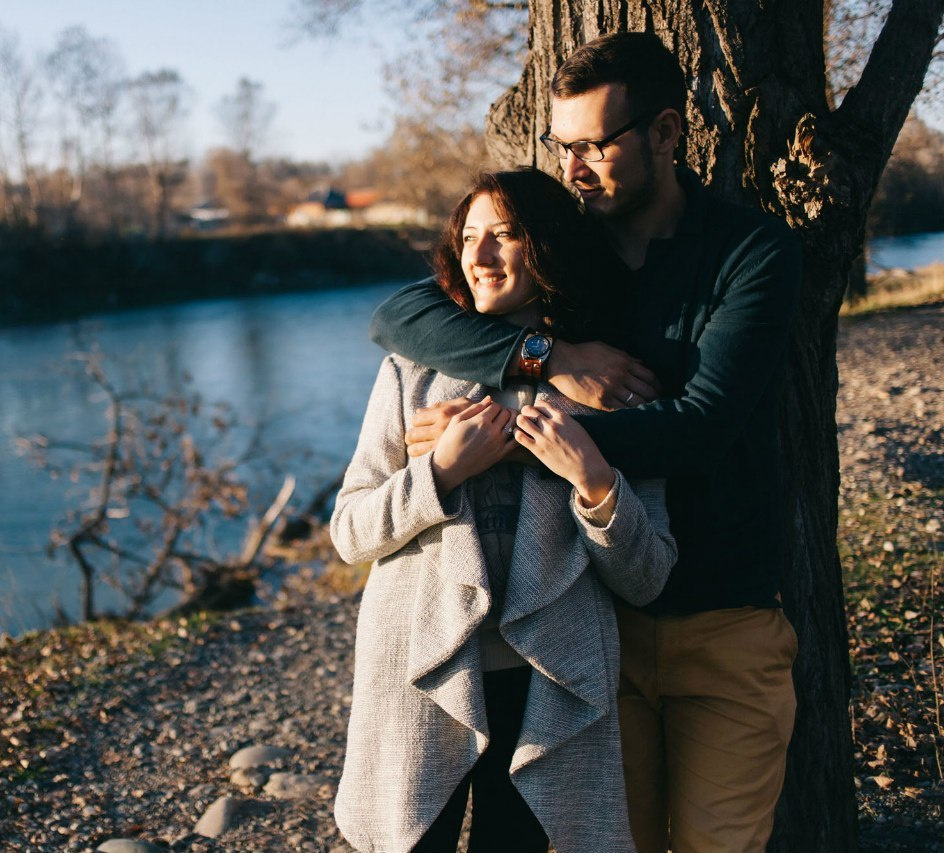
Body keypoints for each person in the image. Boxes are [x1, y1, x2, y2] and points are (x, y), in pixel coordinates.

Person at [369, 32, 803, 853]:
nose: (574, 168)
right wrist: (547, 356)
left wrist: (504, 438)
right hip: (596, 628)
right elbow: (400, 312)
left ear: (668, 135)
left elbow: (702, 429)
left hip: (723, 616)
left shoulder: (749, 252)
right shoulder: (568, 244)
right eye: (562, 147)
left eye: (595, 146)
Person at [331, 168, 676, 853]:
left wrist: (594, 480)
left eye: (505, 235)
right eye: (468, 238)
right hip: (416, 665)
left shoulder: (610, 380)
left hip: (547, 680)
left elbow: (648, 575)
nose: (480, 256)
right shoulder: (410, 371)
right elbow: (350, 531)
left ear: (546, 245)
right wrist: (442, 471)